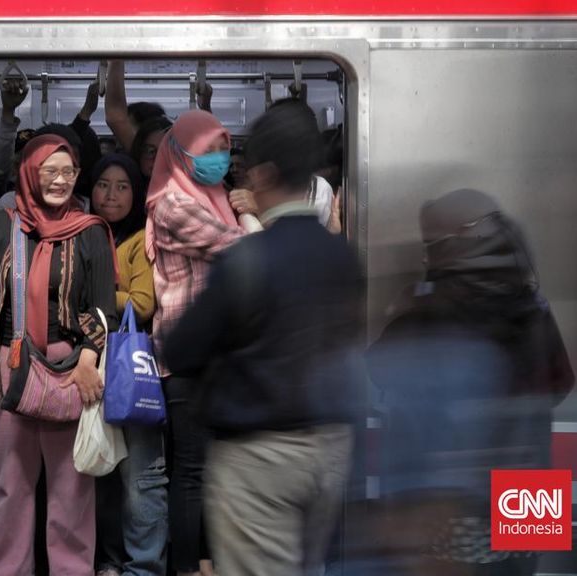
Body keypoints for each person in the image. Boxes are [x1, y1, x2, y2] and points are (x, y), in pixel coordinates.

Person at [163, 99, 361, 576]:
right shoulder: (343, 257)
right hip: (333, 450)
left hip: (259, 460)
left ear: (266, 174)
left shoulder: (249, 260)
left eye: (249, 171)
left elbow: (182, 348)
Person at [0, 134, 118, 576]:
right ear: (30, 174)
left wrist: (90, 360)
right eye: (48, 171)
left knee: (71, 492)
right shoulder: (3, 224)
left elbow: (103, 307)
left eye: (68, 172)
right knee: (10, 488)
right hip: (9, 366)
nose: (59, 181)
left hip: (71, 369)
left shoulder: (90, 231)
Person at [364, 189, 574, 576]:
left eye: (431, 242)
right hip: (531, 483)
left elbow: (376, 368)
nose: (427, 254)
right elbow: (561, 385)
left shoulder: (433, 307)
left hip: (461, 487)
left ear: (453, 243)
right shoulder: (533, 305)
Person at [145, 110, 256, 576]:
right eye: (206, 149)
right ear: (180, 152)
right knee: (191, 472)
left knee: (214, 473)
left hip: (220, 354)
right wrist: (252, 210)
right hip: (187, 357)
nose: (217, 159)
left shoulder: (215, 197)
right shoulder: (172, 204)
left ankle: (210, 563)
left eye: (222, 149)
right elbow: (242, 248)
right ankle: (189, 567)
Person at [90, 154, 168, 576]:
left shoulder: (141, 238)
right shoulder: (81, 231)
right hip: (89, 371)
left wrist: (92, 290)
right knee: (99, 471)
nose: (112, 194)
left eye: (122, 186)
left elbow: (141, 304)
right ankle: (108, 561)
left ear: (136, 193)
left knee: (141, 477)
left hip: (131, 368)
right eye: (103, 184)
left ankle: (144, 566)